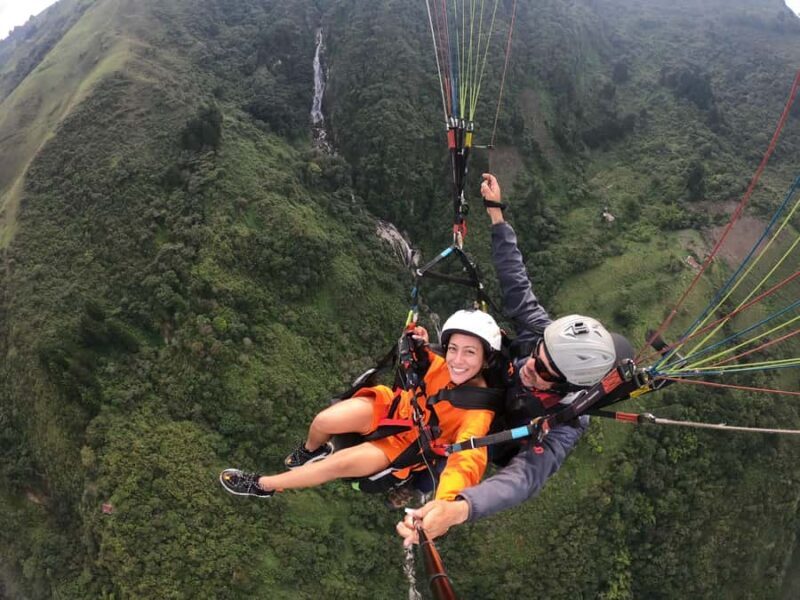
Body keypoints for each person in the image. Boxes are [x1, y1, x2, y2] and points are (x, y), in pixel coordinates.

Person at [397, 173, 630, 545]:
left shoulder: (566, 423)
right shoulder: (544, 336)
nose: (531, 365)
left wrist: (460, 509)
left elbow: (523, 479)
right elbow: (516, 283)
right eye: (536, 355)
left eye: (542, 370)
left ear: (568, 385)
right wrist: (496, 215)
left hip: (487, 431)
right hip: (482, 389)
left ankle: (416, 484)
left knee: (436, 465)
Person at [220, 309, 508, 502]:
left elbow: (467, 461)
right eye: (453, 349)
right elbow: (425, 358)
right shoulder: (443, 362)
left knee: (337, 464)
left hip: (407, 445)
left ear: (485, 360)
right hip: (395, 407)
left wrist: (446, 504)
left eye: (470, 352)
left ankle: (264, 485)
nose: (457, 360)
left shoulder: (478, 412)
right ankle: (311, 450)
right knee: (323, 422)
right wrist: (419, 340)